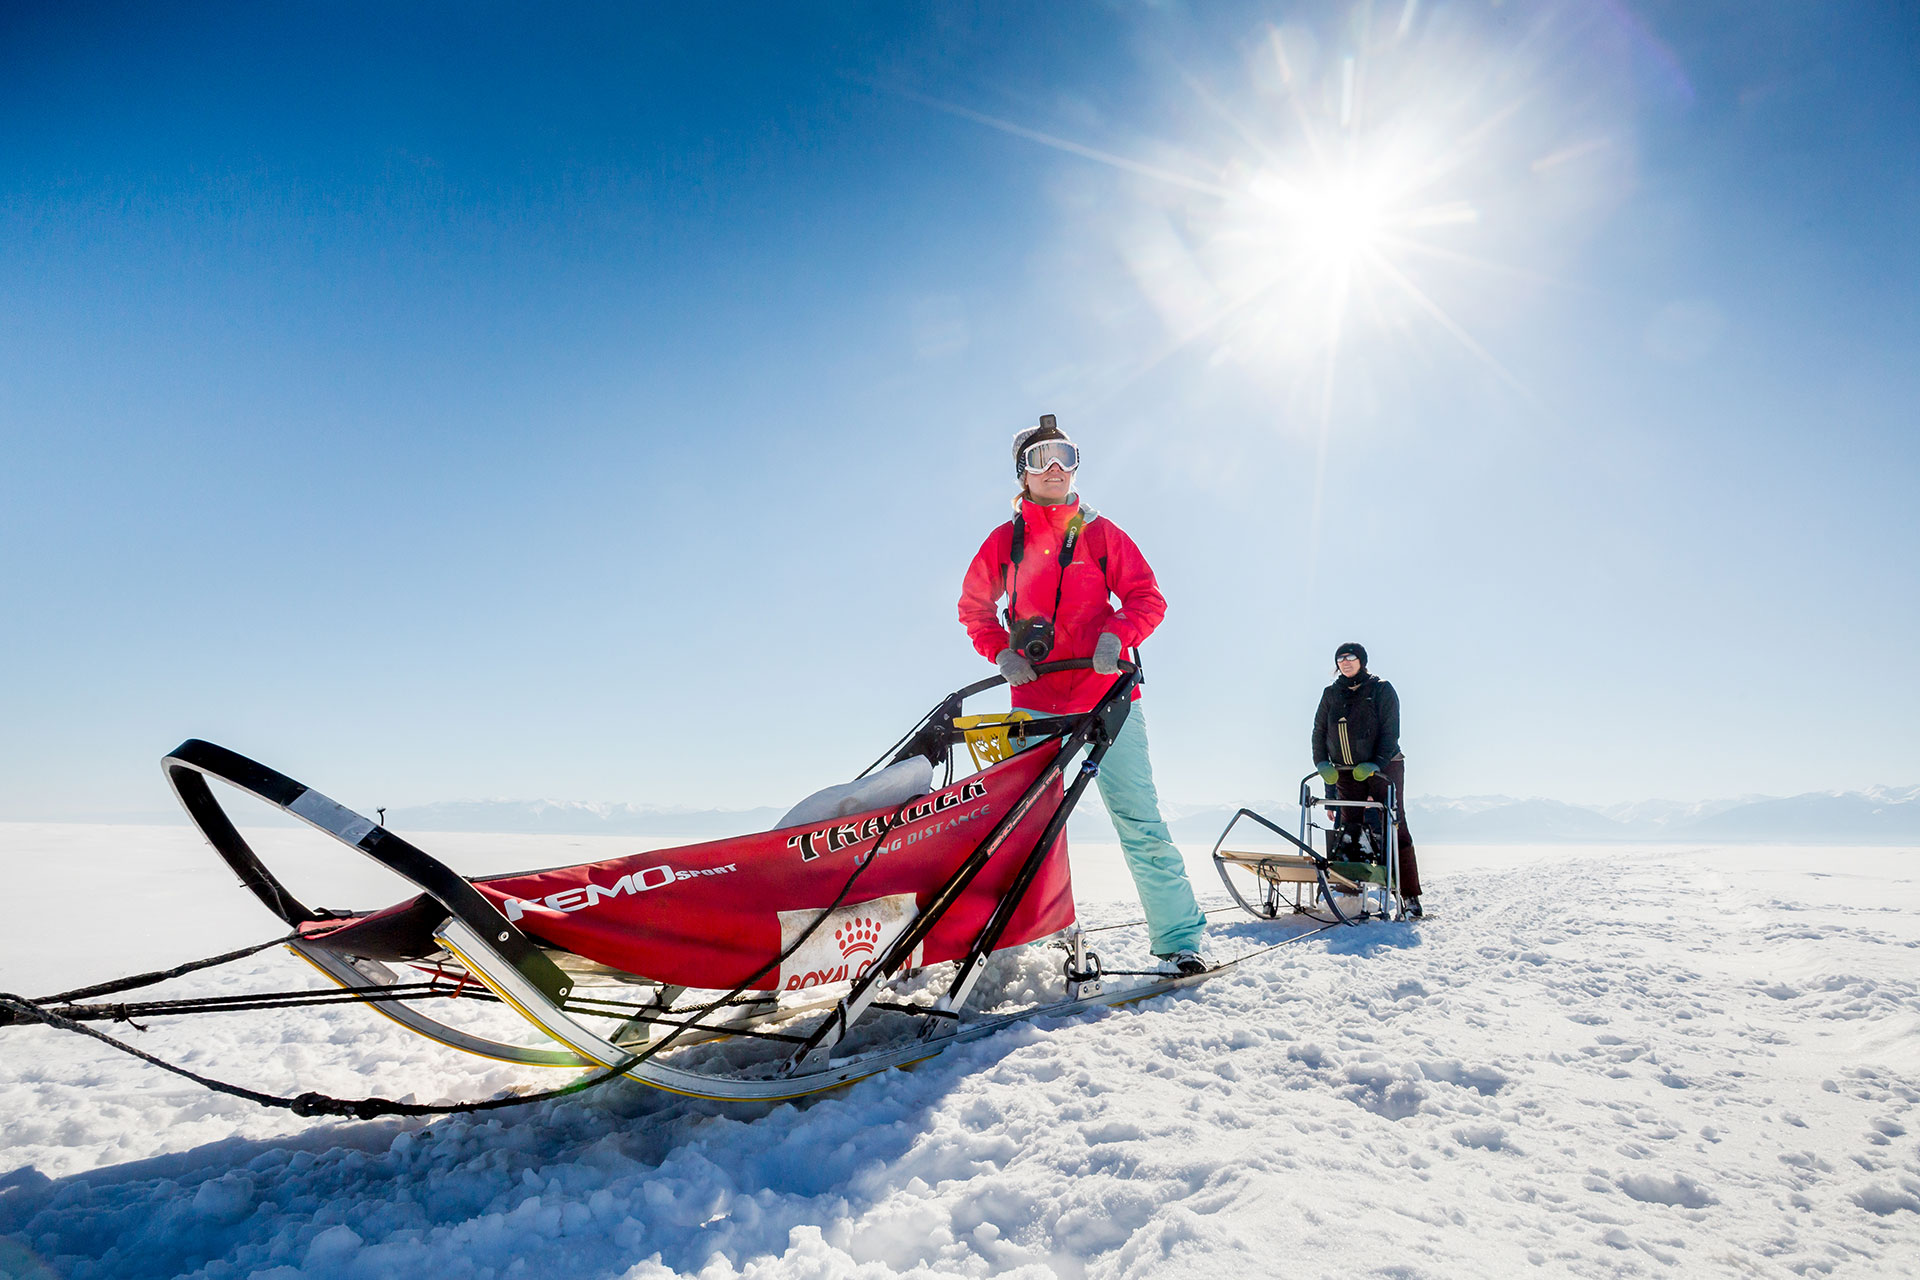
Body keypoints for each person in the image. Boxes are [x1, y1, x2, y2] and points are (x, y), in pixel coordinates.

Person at [957, 415, 1208, 974]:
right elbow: (974, 607)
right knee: (1026, 822)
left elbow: (1147, 598)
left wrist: (1117, 635)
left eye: (1064, 456)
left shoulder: (1100, 533)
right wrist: (1001, 653)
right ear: (1022, 473)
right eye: (1040, 457)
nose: (1054, 467)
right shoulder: (1004, 542)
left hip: (1108, 697)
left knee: (1138, 819)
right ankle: (1019, 940)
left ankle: (1179, 940)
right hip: (1035, 699)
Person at [1311, 642, 1424, 917]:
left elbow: (1390, 731)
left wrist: (1377, 763)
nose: (1345, 662)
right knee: (1350, 827)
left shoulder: (1380, 689)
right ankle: (1350, 891)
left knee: (1394, 824)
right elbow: (1319, 731)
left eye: (1351, 657)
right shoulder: (1331, 693)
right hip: (1346, 771)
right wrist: (1322, 763)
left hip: (1384, 767)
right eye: (1340, 658)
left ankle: (1408, 896)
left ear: (1362, 660)